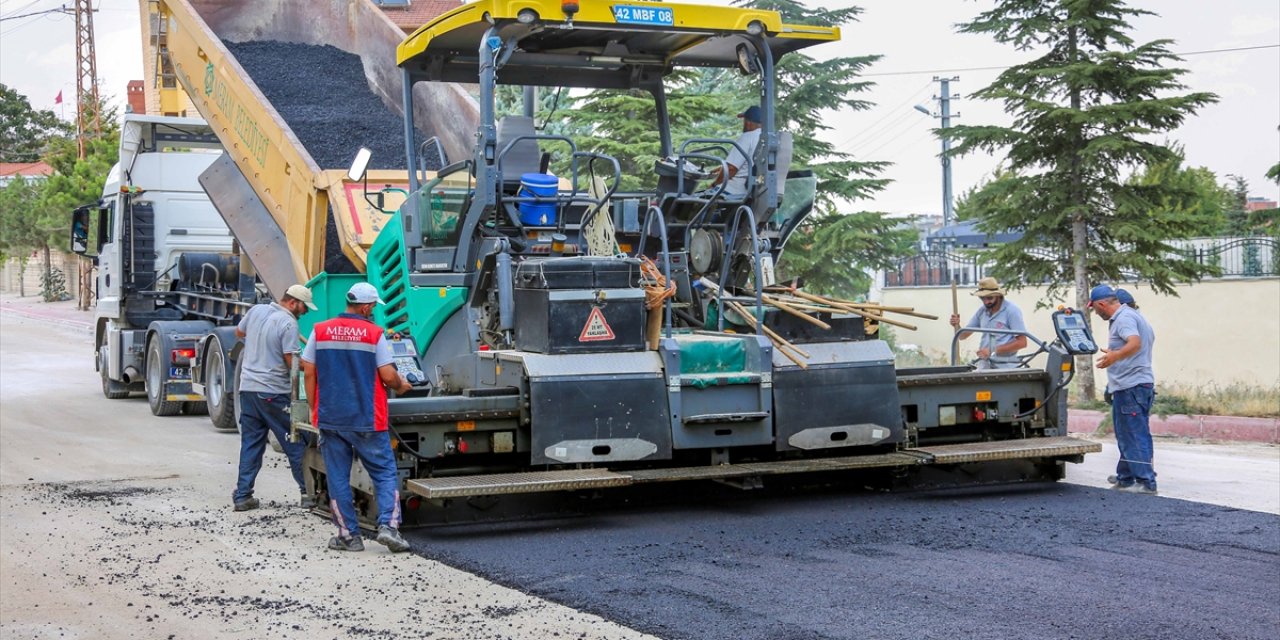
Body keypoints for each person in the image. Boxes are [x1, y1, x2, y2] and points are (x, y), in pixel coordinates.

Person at [301, 282, 412, 553]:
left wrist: (315, 408)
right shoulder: (374, 334)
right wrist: (401, 385)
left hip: (332, 417)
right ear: (364, 307)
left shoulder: (320, 330)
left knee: (337, 476)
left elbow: (308, 371)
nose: (373, 311)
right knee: (384, 472)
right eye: (373, 307)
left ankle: (349, 536)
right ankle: (388, 527)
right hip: (367, 418)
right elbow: (387, 375)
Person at [233, 284, 317, 512]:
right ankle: (308, 494)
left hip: (248, 391)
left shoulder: (256, 311)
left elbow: (239, 333)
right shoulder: (288, 322)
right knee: (295, 442)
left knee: (251, 444)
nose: (305, 312)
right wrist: (312, 371)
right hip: (273, 393)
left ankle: (243, 496)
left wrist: (260, 338)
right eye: (304, 307)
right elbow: (291, 363)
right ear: (293, 302)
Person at [1089, 284, 1158, 495]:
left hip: (1132, 386)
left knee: (1134, 434)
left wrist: (1114, 356)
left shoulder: (1124, 319)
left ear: (1101, 304)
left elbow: (1134, 343)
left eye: (1095, 308)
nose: (1095, 312)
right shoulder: (1134, 316)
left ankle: (1146, 482)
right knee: (1128, 434)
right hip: (1132, 385)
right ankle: (1126, 477)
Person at [948, 277, 1028, 369]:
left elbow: (1022, 342)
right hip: (985, 367)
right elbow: (962, 336)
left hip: (1005, 368)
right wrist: (957, 325)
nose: (986, 302)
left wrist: (992, 350)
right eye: (982, 298)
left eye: (989, 298)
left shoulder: (1012, 311)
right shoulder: (982, 311)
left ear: (998, 295)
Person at [710, 105, 763, 197]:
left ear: (748, 122)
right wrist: (721, 168)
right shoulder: (765, 138)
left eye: (744, 120)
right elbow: (746, 164)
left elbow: (731, 169)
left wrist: (713, 184)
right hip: (750, 191)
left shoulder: (748, 137)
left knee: (694, 202)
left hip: (732, 191)